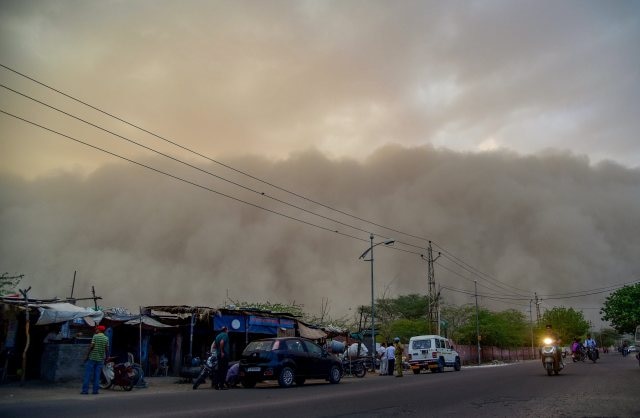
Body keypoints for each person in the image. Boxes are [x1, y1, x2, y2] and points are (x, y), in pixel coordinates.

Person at [81, 325, 109, 395]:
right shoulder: (106, 338)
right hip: (100, 359)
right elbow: (107, 349)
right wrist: (106, 358)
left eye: (97, 329)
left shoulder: (95, 336)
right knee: (97, 376)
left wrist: (86, 356)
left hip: (92, 358)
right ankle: (95, 391)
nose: (96, 330)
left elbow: (91, 347)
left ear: (99, 330)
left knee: (88, 375)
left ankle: (85, 391)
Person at [213, 326, 230, 390]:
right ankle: (221, 386)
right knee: (224, 371)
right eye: (227, 330)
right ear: (225, 330)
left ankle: (216, 385)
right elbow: (222, 342)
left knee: (219, 370)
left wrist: (218, 351)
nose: (228, 331)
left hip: (219, 355)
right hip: (224, 355)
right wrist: (222, 351)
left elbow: (214, 346)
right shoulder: (225, 335)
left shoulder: (218, 336)